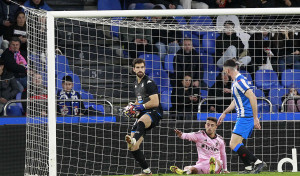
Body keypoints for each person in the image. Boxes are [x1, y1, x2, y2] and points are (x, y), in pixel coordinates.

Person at [217, 59, 266, 174]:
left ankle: (258, 162)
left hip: (246, 116)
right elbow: (236, 100)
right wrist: (224, 112)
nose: (225, 74)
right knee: (238, 143)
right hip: (243, 116)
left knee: (233, 144)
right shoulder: (236, 81)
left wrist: (255, 118)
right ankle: (248, 167)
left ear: (228, 70)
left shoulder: (239, 81)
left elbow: (253, 97)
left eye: (224, 72)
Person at [124, 58, 163, 176]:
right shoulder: (135, 84)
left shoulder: (149, 82)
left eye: (142, 67)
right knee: (132, 147)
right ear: (133, 69)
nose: (140, 69)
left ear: (145, 68)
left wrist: (139, 108)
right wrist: (132, 109)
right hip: (143, 113)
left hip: (154, 112)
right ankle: (147, 172)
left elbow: (155, 102)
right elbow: (138, 101)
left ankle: (134, 137)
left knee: (141, 122)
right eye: (138, 67)